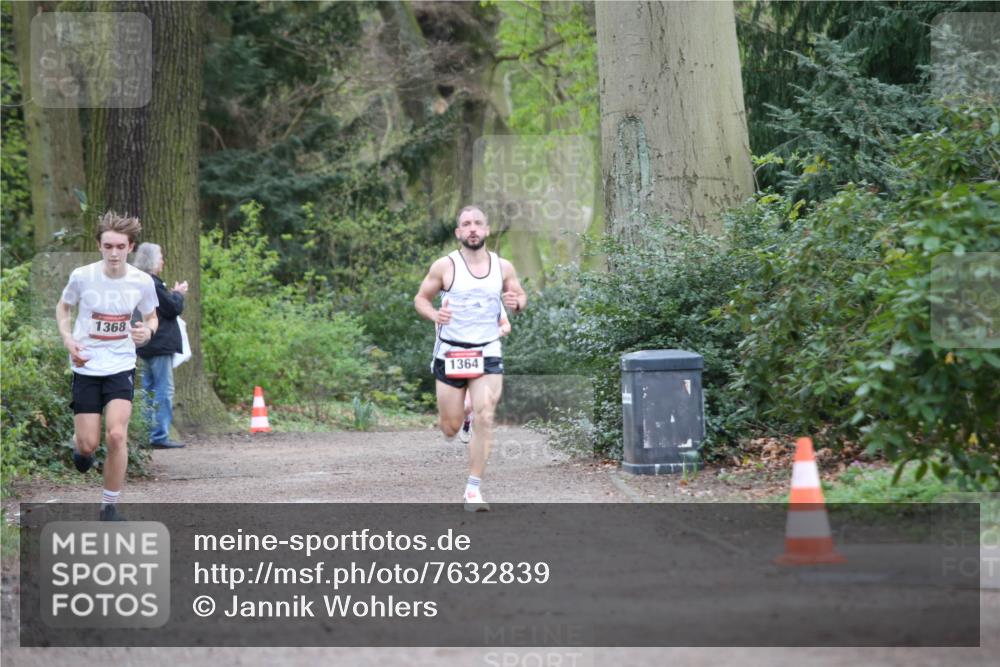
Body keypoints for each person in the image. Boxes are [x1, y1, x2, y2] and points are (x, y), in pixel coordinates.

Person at [415, 205, 526, 511]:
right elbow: (420, 299)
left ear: (487, 230)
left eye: (478, 223)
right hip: (450, 352)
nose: (473, 228)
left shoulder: (503, 267)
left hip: (486, 350)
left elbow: (519, 296)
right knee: (449, 429)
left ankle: (473, 490)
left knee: (486, 413)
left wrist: (516, 303)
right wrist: (435, 314)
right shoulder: (444, 266)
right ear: (458, 233)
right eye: (466, 224)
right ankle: (459, 418)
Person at [56, 212, 159, 521]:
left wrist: (147, 331)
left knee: (116, 435)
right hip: (86, 365)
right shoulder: (82, 276)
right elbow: (64, 306)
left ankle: (109, 507)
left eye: (120, 247)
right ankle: (81, 447)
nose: (114, 253)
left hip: (120, 364)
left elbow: (152, 316)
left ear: (130, 247)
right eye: (108, 246)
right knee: (88, 445)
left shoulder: (142, 281)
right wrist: (67, 339)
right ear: (99, 246)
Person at [133, 242, 188, 449]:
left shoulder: (138, 281)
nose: (163, 261)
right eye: (161, 256)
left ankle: (147, 432)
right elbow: (172, 308)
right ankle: (159, 435)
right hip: (159, 343)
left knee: (147, 389)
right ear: (153, 260)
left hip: (146, 343)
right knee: (164, 389)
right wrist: (179, 294)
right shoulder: (153, 283)